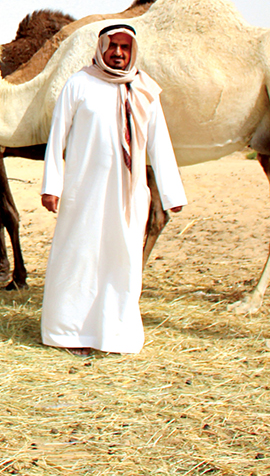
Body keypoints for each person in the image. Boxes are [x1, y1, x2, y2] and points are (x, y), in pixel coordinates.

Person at [39, 24, 186, 355]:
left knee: (123, 259)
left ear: (133, 51)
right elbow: (57, 136)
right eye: (112, 46)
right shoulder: (79, 83)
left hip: (129, 195)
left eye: (124, 47)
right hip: (84, 191)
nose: (117, 53)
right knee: (78, 256)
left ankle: (115, 336)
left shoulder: (146, 89)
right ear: (101, 47)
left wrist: (172, 194)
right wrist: (52, 186)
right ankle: (66, 332)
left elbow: (161, 144)